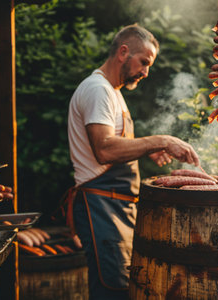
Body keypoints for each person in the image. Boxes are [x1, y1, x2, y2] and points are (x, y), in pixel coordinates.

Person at [66, 24, 200, 300]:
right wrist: (160, 140)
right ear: (123, 52)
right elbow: (104, 150)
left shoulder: (114, 93)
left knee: (123, 287)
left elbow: (115, 144)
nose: (146, 72)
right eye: (144, 62)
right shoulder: (98, 90)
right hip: (101, 208)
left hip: (117, 209)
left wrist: (142, 149)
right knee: (111, 291)